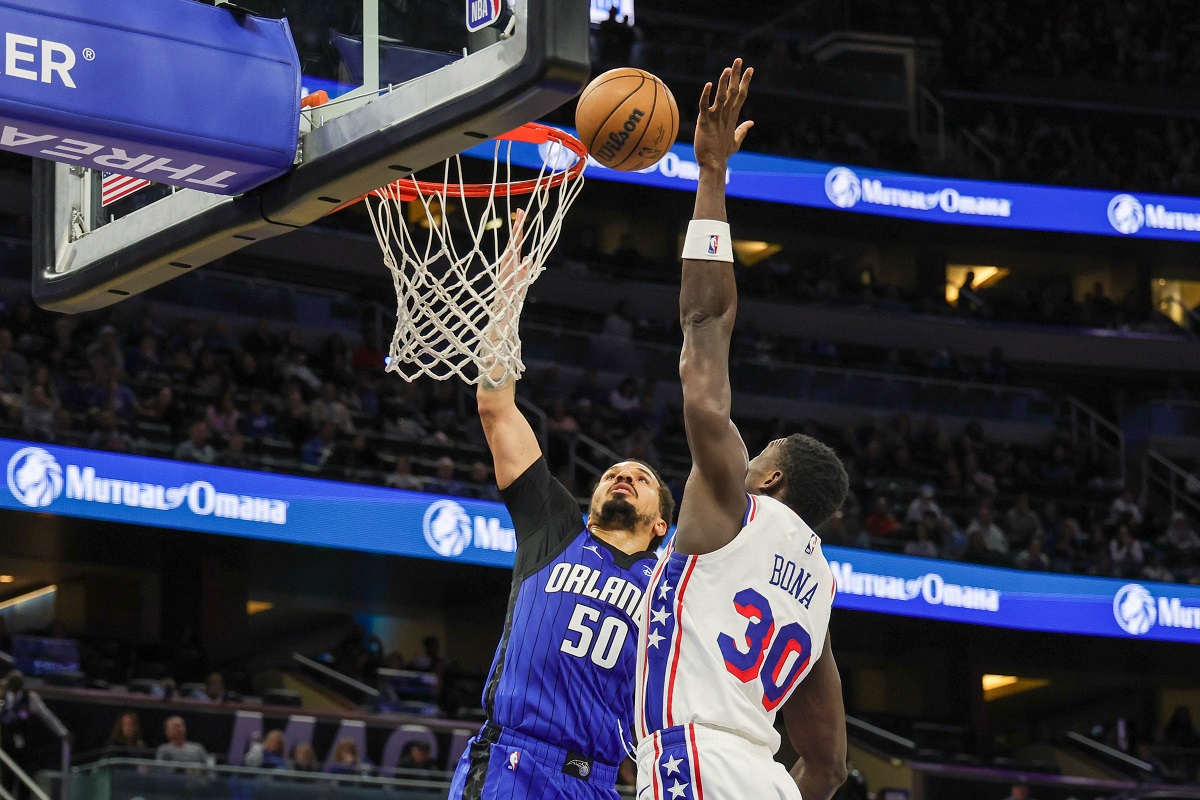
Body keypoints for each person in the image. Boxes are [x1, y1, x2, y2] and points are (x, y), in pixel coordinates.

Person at [635, 60, 849, 800]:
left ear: (772, 478)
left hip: (696, 757)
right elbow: (828, 763)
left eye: (757, 454)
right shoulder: (819, 589)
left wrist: (712, 176)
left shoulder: (736, 505)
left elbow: (704, 324)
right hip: (767, 781)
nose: (743, 453)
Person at [445, 209, 673, 800]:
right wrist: (508, 296)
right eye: (614, 472)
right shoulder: (555, 525)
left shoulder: (671, 580)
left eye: (640, 476)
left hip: (597, 782)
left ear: (660, 523)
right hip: (511, 763)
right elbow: (496, 408)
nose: (622, 474)